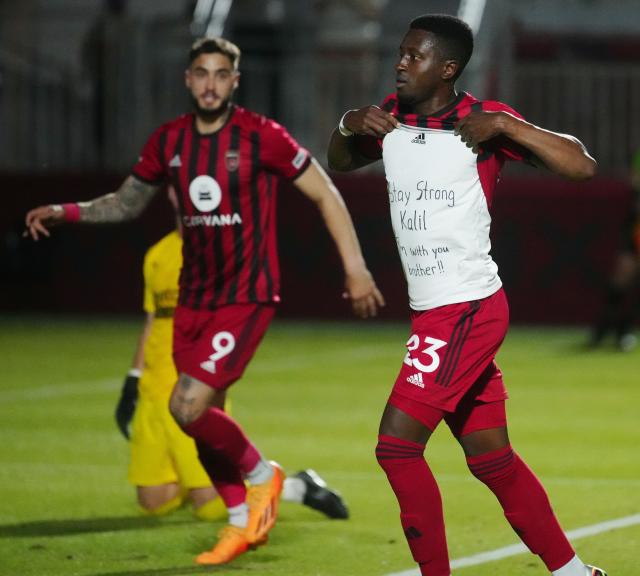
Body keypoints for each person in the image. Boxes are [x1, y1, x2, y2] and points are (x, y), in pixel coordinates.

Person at [25, 36, 384, 565]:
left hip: (246, 295)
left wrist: (355, 268)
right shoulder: (169, 141)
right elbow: (126, 202)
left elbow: (325, 193)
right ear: (188, 80)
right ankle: (240, 523)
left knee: (186, 405)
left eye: (221, 74)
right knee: (198, 416)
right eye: (201, 73)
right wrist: (68, 210)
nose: (210, 83)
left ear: (234, 81)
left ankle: (265, 477)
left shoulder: (262, 136)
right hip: (193, 300)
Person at [327, 14, 606, 576]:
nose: (400, 63)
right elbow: (341, 158)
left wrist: (507, 127)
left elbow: (582, 167)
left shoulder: (480, 122)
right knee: (493, 459)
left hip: (465, 309)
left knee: (397, 448)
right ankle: (575, 573)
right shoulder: (391, 116)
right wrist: (346, 123)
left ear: (448, 68)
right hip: (434, 311)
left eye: (414, 56)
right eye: (401, 54)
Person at [116, 195, 350, 522]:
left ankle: (296, 487)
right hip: (152, 394)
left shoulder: (214, 252)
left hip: (190, 389)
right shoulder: (157, 254)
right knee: (154, 502)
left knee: (212, 508)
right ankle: (203, 481)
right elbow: (152, 320)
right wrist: (133, 378)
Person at [589, 148, 640, 351]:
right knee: (620, 282)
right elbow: (634, 183)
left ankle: (622, 331)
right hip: (636, 229)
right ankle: (609, 330)